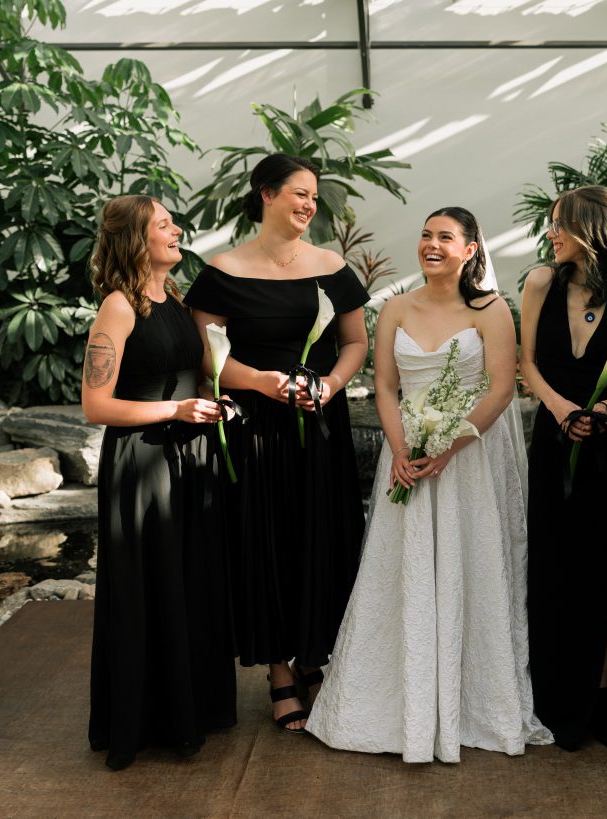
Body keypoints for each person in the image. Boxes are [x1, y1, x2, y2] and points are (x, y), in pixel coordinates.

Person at [306, 207, 552, 763]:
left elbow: (499, 389)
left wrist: (449, 449)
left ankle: (472, 705)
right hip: (408, 459)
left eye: (445, 237)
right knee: (403, 572)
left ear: (471, 249)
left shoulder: (492, 310)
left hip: (467, 459)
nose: (431, 244)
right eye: (425, 235)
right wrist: (402, 451)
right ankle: (400, 705)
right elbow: (385, 387)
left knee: (474, 568)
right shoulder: (393, 308)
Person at [185, 154, 368, 733]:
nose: (309, 205)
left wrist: (331, 386)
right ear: (266, 195)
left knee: (322, 537)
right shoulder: (222, 272)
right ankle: (279, 670)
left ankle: (315, 654)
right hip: (255, 428)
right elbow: (206, 359)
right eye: (299, 193)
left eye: (314, 196)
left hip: (320, 424)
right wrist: (264, 382)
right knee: (265, 542)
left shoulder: (332, 267)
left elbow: (355, 343)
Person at [84, 195, 237, 771]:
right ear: (136, 240)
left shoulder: (171, 296)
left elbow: (192, 371)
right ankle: (145, 722)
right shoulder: (119, 308)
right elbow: (96, 405)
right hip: (143, 463)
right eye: (164, 224)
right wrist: (173, 413)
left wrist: (211, 402)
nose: (177, 230)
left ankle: (187, 710)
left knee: (188, 579)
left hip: (189, 455)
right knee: (147, 585)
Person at [520, 185, 607, 751]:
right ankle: (553, 697)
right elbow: (526, 363)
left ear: (591, 229)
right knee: (552, 567)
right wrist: (561, 411)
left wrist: (603, 410)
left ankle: (602, 700)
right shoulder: (538, 283)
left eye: (559, 225)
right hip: (553, 440)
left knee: (606, 571)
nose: (550, 235)